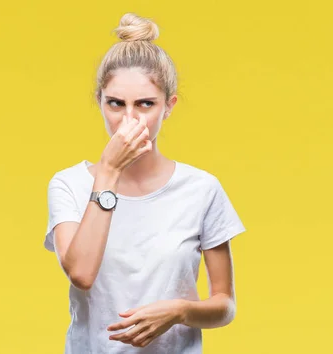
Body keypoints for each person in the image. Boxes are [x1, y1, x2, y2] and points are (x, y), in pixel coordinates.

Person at [43, 12, 247, 354]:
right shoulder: (68, 185)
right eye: (116, 104)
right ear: (99, 102)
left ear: (169, 106)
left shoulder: (202, 189)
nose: (129, 119)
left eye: (146, 104)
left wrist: (180, 310)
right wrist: (108, 171)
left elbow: (225, 305)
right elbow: (81, 274)